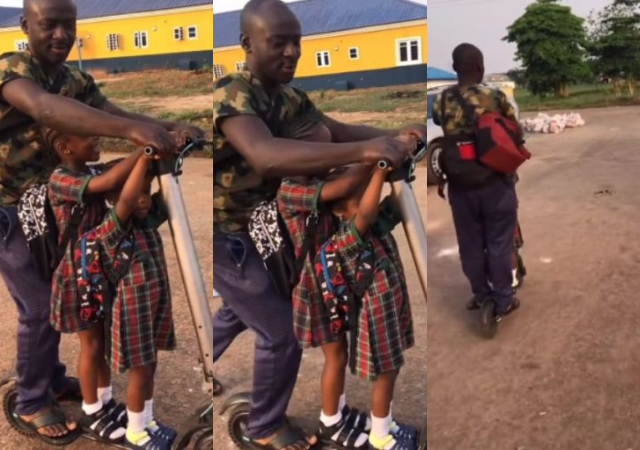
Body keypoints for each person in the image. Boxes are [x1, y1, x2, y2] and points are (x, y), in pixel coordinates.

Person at [211, 1, 426, 448]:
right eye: (278, 43)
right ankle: (264, 427)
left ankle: (205, 360)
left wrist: (394, 137)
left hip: (271, 229)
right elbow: (267, 156)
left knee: (241, 308)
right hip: (229, 234)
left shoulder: (291, 97)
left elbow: (340, 131)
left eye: (297, 43)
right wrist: (367, 154)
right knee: (278, 331)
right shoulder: (232, 94)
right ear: (247, 43)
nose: (291, 52)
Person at [0, 0, 202, 442]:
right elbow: (45, 108)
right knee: (38, 306)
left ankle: (50, 378)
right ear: (24, 25)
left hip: (51, 206)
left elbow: (115, 112)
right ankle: (32, 400)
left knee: (53, 294)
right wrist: (132, 136)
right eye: (47, 25)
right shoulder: (12, 70)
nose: (59, 35)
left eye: (67, 26)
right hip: (9, 207)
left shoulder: (74, 78)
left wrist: (165, 127)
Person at [80, 153, 177, 450]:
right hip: (133, 309)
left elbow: (168, 185)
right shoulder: (113, 226)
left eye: (146, 192)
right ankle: (135, 434)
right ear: (112, 197)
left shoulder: (146, 220)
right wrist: (144, 158)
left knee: (151, 365)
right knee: (140, 370)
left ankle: (145, 420)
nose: (143, 199)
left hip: (153, 303)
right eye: (137, 193)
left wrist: (171, 152)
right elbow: (125, 202)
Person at [431, 43, 520, 322]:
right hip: (494, 180)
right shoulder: (495, 97)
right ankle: (504, 299)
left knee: (470, 242)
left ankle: (481, 294)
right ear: (480, 67)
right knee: (499, 240)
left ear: (455, 68)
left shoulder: (441, 100)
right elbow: (512, 126)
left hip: (460, 183)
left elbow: (438, 121)